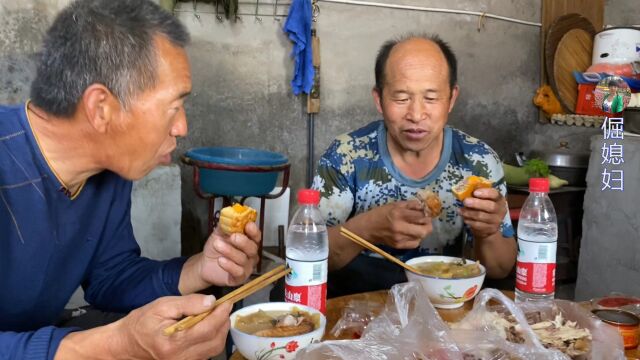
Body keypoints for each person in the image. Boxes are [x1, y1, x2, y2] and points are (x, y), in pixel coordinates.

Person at [0, 0, 261, 359]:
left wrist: (201, 268)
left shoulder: (109, 171)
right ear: (101, 109)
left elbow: (110, 276)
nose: (182, 127)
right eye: (173, 106)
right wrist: (116, 344)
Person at [312, 34, 517, 297]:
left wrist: (488, 232)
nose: (416, 115)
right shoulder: (346, 155)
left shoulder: (479, 161)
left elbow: (500, 269)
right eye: (401, 98)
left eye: (431, 98)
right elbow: (308, 256)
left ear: (452, 99)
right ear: (379, 100)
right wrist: (368, 227)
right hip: (359, 300)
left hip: (444, 300)